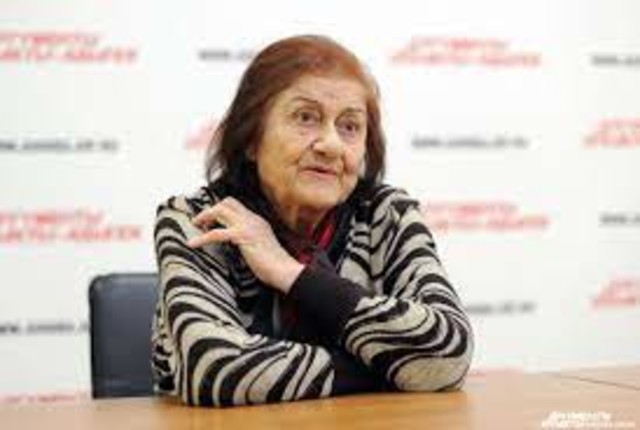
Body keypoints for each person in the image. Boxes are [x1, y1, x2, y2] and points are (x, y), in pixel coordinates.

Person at [151, 34, 473, 407]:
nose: (331, 145)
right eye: (306, 118)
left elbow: (448, 356)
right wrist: (394, 370)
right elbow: (212, 369)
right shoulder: (200, 218)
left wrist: (290, 273)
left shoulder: (385, 213)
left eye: (350, 126)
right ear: (251, 138)